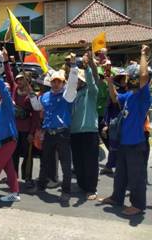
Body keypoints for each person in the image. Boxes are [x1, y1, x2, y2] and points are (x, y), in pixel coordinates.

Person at [100, 45, 151, 216]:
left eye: (130, 77)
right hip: (123, 142)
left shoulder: (143, 95)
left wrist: (143, 54)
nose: (128, 80)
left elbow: (144, 75)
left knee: (137, 177)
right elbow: (115, 98)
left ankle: (138, 205)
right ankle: (116, 197)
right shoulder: (129, 95)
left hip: (136, 143)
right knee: (120, 174)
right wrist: (109, 81)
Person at [29, 56, 78, 204]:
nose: (56, 84)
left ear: (63, 83)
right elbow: (37, 107)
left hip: (62, 133)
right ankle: (41, 186)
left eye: (59, 81)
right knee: (45, 162)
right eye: (54, 81)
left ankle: (66, 191)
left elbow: (73, 84)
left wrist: (74, 66)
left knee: (65, 164)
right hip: (49, 134)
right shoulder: (45, 96)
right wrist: (31, 93)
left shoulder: (67, 95)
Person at [3, 50, 40, 188]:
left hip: (26, 130)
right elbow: (8, 75)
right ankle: (12, 176)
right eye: (18, 79)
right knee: (13, 154)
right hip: (14, 129)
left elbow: (35, 115)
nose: (19, 81)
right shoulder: (13, 89)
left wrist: (32, 133)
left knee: (27, 155)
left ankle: (28, 177)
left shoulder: (32, 95)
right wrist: (6, 61)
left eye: (22, 79)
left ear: (28, 80)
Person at [70, 51, 99, 200]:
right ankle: (82, 186)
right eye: (77, 80)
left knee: (90, 162)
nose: (79, 82)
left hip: (89, 131)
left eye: (81, 80)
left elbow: (93, 81)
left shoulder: (92, 92)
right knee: (78, 161)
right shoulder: (73, 94)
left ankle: (91, 189)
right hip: (75, 132)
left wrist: (87, 68)